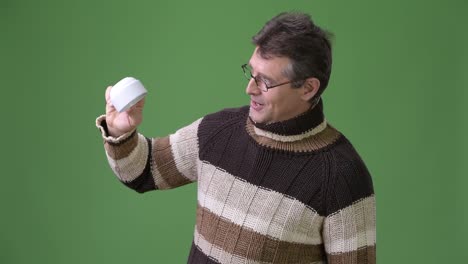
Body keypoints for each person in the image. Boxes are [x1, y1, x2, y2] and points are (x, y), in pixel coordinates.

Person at [96, 12, 376, 264]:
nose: (250, 88)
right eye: (250, 73)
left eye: (265, 81)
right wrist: (121, 130)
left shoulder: (341, 175)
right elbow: (145, 170)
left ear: (308, 88)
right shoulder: (218, 132)